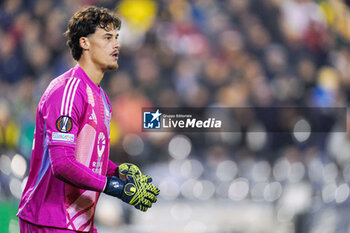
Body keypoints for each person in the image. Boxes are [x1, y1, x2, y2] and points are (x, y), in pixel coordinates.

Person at [17, 6, 160, 233]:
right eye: (107, 37)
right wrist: (113, 186)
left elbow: (88, 158)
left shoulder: (101, 97)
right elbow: (62, 164)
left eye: (116, 38)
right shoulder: (68, 90)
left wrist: (117, 172)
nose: (116, 45)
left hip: (78, 222)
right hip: (49, 220)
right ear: (84, 43)